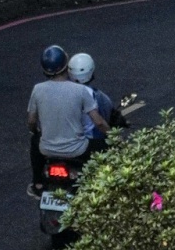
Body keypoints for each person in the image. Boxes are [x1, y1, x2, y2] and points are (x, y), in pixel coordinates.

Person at [27, 44, 109, 197]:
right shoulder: (80, 90)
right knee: (105, 147)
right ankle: (102, 191)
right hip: (77, 150)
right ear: (66, 66)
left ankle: (38, 183)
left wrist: (35, 132)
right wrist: (114, 137)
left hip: (47, 150)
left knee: (34, 139)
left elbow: (31, 121)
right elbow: (99, 122)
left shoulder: (37, 89)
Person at [67, 52, 126, 156]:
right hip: (88, 142)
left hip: (65, 140)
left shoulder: (64, 91)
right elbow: (101, 121)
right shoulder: (96, 95)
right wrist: (116, 138)